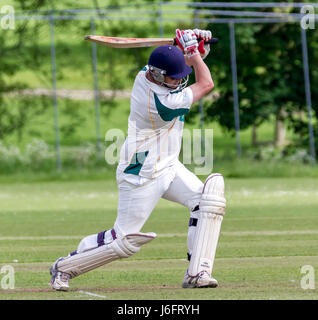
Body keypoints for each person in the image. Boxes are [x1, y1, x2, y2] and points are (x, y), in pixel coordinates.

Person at [50, 28, 226, 291]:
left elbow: (179, 67)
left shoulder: (147, 74)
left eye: (179, 78)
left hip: (167, 164)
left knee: (207, 201)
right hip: (141, 171)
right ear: (157, 76)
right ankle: (64, 266)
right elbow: (206, 84)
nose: (178, 82)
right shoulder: (160, 103)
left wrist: (195, 52)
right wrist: (192, 54)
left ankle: (197, 273)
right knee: (123, 240)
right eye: (173, 79)